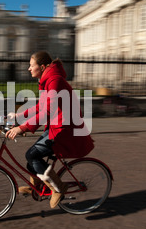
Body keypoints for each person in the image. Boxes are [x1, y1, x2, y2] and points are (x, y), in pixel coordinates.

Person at [6, 51, 94, 208]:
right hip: (56, 126)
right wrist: (19, 116)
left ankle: (58, 188)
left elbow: (48, 112)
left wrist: (22, 127)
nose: (28, 68)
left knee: (32, 155)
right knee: (31, 159)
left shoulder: (54, 81)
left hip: (64, 129)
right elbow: (41, 106)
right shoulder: (48, 80)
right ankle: (38, 186)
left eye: (31, 65)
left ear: (41, 66)